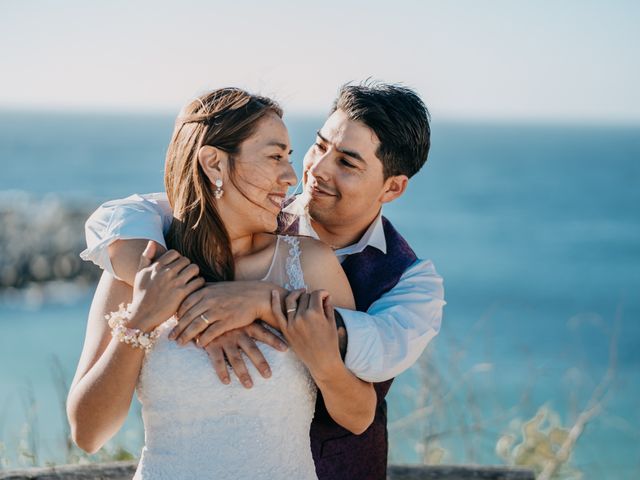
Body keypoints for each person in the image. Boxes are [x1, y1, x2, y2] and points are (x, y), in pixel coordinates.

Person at [81, 81, 446, 480]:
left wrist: (265, 301)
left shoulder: (407, 283)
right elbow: (125, 213)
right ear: (215, 164)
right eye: (319, 146)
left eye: (347, 162)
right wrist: (178, 305)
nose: (309, 172)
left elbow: (369, 370)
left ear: (392, 187)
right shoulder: (147, 257)